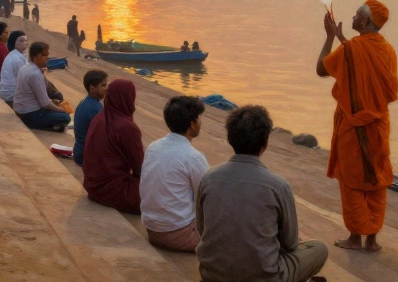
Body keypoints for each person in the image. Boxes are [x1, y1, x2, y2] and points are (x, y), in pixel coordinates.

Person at [197, 105, 328, 282]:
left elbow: (202, 228)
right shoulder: (278, 185)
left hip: (212, 275)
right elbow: (290, 243)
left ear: (230, 140)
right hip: (265, 277)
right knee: (318, 248)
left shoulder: (208, 178)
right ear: (265, 144)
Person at [317, 0, 398, 253]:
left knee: (352, 180)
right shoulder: (387, 50)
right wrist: (343, 39)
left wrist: (330, 36)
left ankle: (354, 237)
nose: (352, 17)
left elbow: (322, 69)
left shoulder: (352, 49)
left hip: (353, 126)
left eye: (356, 14)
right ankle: (372, 239)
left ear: (363, 22)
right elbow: (378, 82)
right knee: (376, 178)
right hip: (377, 125)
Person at [141, 96, 210, 252]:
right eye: (198, 119)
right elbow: (207, 198)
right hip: (179, 234)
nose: (200, 123)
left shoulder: (154, 146)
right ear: (192, 124)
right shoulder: (193, 157)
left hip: (152, 229)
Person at [81, 78, 143, 213]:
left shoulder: (98, 118)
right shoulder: (127, 127)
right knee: (163, 193)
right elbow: (140, 169)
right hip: (113, 190)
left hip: (92, 187)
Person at [13, 42, 69, 131]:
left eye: (47, 55)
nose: (46, 58)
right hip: (29, 114)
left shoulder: (25, 68)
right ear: (34, 57)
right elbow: (45, 104)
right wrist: (61, 110)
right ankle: (47, 127)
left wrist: (53, 102)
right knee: (65, 117)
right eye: (43, 55)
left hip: (20, 109)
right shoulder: (35, 74)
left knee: (55, 106)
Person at [72, 70, 108, 166]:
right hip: (85, 156)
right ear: (92, 87)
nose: (106, 89)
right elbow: (103, 136)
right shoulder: (95, 109)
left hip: (79, 151)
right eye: (103, 85)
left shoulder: (85, 103)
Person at [0, 31, 29, 104]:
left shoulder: (13, 54)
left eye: (25, 40)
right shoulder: (17, 59)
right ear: (13, 42)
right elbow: (25, 80)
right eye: (21, 41)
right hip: (11, 95)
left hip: (6, 92)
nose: (24, 43)